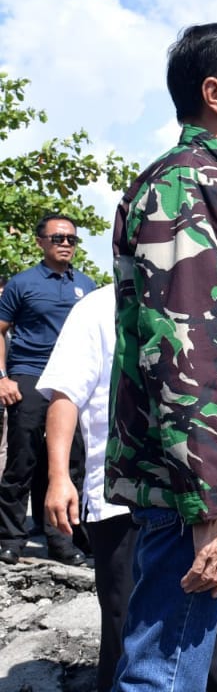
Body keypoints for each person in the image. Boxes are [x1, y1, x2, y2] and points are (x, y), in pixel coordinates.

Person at [108, 21, 217, 690]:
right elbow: (184, 354)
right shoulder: (187, 187)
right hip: (194, 489)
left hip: (204, 480)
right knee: (162, 674)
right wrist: (211, 507)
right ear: (216, 92)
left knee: (172, 662)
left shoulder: (215, 185)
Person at [41, 284, 217, 692]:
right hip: (122, 501)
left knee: (213, 641)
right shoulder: (97, 307)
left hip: (206, 501)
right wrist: (59, 476)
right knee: (130, 640)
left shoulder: (207, 299)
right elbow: (66, 395)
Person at [0, 214, 95, 565]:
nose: (66, 244)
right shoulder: (21, 284)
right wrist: (2, 377)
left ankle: (63, 542)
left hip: (70, 380)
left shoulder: (86, 285)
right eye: (58, 238)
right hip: (29, 374)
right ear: (41, 242)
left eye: (72, 238)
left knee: (72, 462)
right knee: (23, 460)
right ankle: (11, 537)